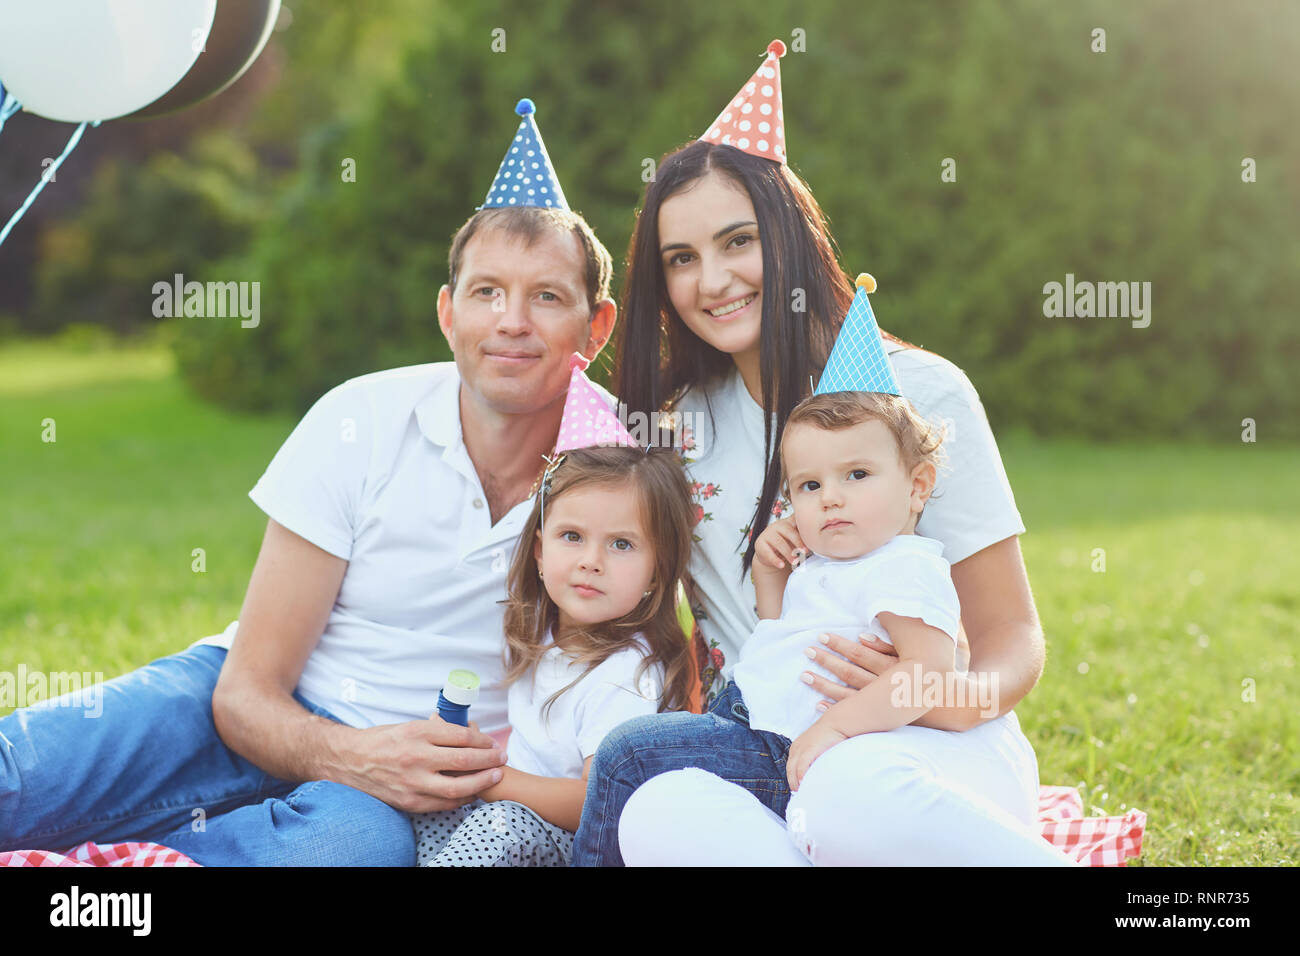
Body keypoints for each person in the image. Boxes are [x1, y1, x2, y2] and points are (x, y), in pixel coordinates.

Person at [0, 101, 622, 865]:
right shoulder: (360, 417)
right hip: (245, 708)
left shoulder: (619, 466)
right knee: (22, 775)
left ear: (597, 328)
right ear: (447, 313)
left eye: (547, 297)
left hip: (384, 798)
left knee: (345, 854)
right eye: (486, 291)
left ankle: (122, 869)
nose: (512, 321)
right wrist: (347, 752)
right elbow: (245, 691)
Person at [572, 42, 1049, 865]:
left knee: (848, 795)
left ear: (788, 238)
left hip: (921, 752)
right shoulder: (679, 429)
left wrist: (910, 697)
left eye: (738, 242)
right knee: (660, 806)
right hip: (768, 751)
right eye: (681, 259)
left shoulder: (920, 395)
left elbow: (1013, 642)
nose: (712, 280)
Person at [409, 432, 696, 866]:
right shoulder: (542, 631)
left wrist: (490, 781)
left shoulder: (625, 674)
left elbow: (595, 801)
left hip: (572, 843)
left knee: (497, 825)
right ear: (540, 552)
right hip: (511, 818)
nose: (591, 561)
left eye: (621, 544)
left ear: (657, 574)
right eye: (572, 536)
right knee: (425, 806)